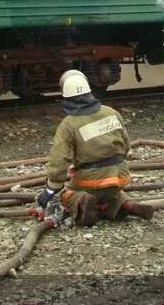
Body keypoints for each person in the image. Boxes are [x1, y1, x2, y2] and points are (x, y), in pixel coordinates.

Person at [35, 70, 154, 227]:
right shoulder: (111, 112)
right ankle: (129, 205)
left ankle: (83, 201)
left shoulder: (68, 124)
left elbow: (59, 161)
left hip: (93, 181)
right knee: (112, 195)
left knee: (66, 194)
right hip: (120, 176)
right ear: (89, 92)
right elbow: (125, 147)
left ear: (67, 98)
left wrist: (50, 190)